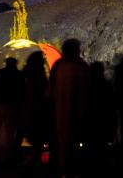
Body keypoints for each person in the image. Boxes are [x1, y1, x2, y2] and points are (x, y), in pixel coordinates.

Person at [48, 38, 91, 176]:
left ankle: (63, 165)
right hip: (74, 109)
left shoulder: (59, 65)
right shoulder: (81, 66)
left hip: (62, 108)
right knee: (72, 140)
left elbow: (51, 88)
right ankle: (69, 166)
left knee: (64, 139)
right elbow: (87, 89)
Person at [0, 57, 25, 161]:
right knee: (10, 132)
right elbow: (23, 91)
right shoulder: (19, 75)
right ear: (15, 64)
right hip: (12, 107)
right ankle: (7, 155)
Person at [22, 51, 49, 160]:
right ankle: (35, 160)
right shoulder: (39, 73)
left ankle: (32, 159)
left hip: (29, 106)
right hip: (38, 107)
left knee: (32, 133)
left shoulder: (27, 72)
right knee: (37, 133)